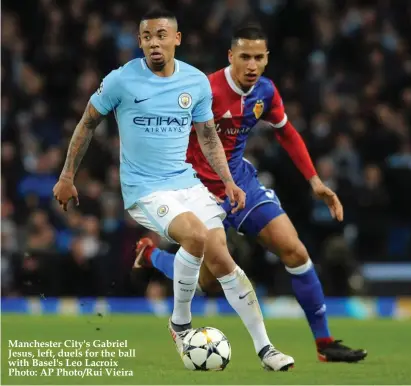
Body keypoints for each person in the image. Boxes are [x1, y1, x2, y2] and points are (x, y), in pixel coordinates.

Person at [53, 9, 294, 371]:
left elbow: (209, 136)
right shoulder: (120, 81)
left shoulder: (195, 82)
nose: (154, 42)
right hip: (146, 189)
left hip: (186, 182)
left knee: (222, 263)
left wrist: (228, 180)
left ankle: (266, 349)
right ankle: (181, 323)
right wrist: (67, 175)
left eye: (161, 35)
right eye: (147, 36)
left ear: (176, 40)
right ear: (139, 42)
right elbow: (87, 124)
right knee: (195, 237)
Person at [134, 22, 367, 363]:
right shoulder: (204, 89)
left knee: (295, 250)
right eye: (245, 56)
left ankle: (324, 343)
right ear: (231, 56)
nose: (252, 65)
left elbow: (286, 132)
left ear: (267, 58)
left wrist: (315, 180)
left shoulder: (266, 92)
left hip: (240, 183)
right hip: (197, 188)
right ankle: (152, 255)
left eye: (259, 57)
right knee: (209, 282)